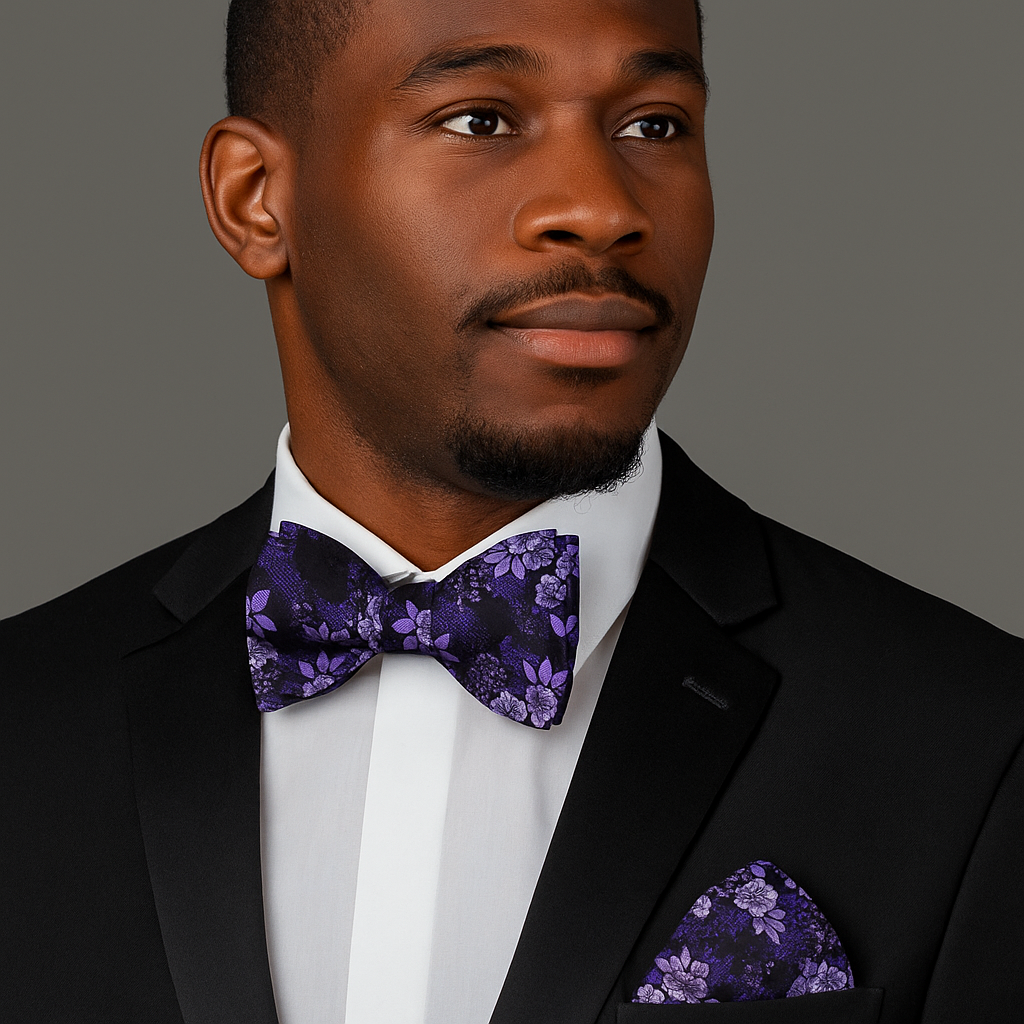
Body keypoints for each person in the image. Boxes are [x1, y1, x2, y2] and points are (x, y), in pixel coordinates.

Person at [2, 0, 1021, 1021]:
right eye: (480, 119)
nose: (601, 207)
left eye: (654, 124)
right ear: (256, 199)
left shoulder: (974, 745)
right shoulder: (26, 724)